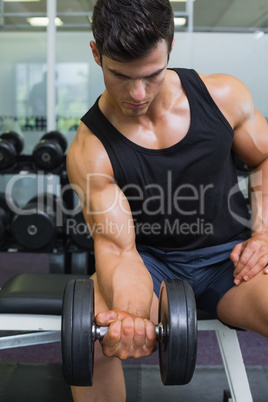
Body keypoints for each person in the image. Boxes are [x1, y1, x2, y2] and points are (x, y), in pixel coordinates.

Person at [66, 0, 268, 400]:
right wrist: (128, 315)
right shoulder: (91, 149)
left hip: (230, 264)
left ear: (170, 47)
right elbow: (119, 252)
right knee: (93, 335)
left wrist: (262, 234)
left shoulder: (224, 97)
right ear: (96, 54)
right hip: (150, 265)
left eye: (152, 74)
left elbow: (264, 157)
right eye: (120, 76)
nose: (137, 93)